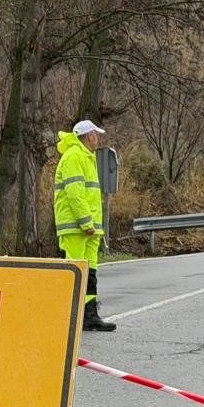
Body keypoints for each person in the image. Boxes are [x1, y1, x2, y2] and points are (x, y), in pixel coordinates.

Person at [55, 119, 116, 331]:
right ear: (88, 135)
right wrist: (86, 222)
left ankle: (89, 315)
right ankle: (69, 316)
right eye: (95, 134)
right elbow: (75, 194)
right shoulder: (74, 157)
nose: (97, 138)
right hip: (76, 227)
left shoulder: (85, 157)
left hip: (88, 229)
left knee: (89, 272)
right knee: (76, 271)